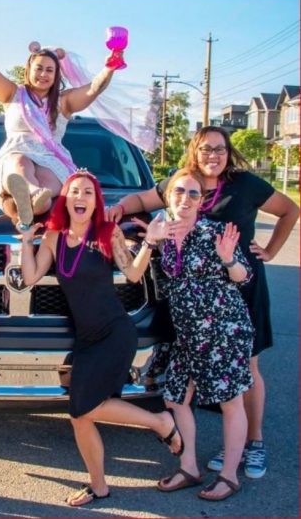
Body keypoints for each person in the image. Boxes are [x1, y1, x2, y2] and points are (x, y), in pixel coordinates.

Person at [107, 126, 299, 479]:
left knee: (247, 371)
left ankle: (252, 444)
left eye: (220, 149)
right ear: (194, 151)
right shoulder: (180, 184)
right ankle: (209, 454)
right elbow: (140, 201)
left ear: (228, 153)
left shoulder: (245, 184)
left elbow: (290, 210)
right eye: (206, 149)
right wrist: (117, 208)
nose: (214, 155)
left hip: (239, 290)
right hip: (191, 300)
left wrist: (269, 251)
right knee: (198, 377)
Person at [19, 170, 186, 507]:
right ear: (65, 199)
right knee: (80, 415)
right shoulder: (54, 237)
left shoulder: (107, 234)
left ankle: (160, 421)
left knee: (84, 409)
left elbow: (134, 273)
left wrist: (151, 242)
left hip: (114, 333)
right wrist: (25, 243)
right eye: (74, 192)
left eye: (88, 193)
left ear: (96, 201)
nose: (80, 198)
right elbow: (32, 275)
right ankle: (99, 486)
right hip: (87, 339)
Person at [0, 20, 124, 229]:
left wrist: (109, 68)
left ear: (56, 76)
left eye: (49, 70)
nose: (43, 74)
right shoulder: (12, 94)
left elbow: (94, 89)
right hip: (16, 153)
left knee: (50, 186)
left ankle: (35, 204)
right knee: (19, 163)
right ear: (29, 70)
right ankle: (30, 193)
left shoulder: (64, 102)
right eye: (39, 68)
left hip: (50, 158)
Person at [148, 169, 254, 501]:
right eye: (179, 191)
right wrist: (151, 241)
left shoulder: (215, 232)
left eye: (194, 193)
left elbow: (243, 275)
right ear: (169, 197)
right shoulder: (162, 235)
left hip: (223, 331)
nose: (186, 198)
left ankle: (229, 475)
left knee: (230, 401)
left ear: (202, 201)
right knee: (175, 398)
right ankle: (190, 466)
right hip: (186, 334)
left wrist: (227, 260)